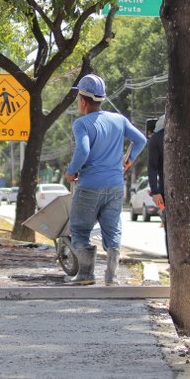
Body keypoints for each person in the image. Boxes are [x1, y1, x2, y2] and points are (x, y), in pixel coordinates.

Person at [63, 74, 147, 286]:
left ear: (82, 100)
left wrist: (71, 171)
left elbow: (82, 150)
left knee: (80, 229)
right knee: (112, 229)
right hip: (116, 186)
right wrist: (128, 161)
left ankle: (86, 275)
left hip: (89, 186)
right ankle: (112, 277)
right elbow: (141, 140)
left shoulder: (82, 124)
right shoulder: (119, 120)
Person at [147, 114, 167, 253]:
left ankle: (172, 259)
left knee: (170, 226)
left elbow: (152, 167)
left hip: (166, 191)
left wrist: (155, 191)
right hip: (166, 191)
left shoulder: (156, 138)